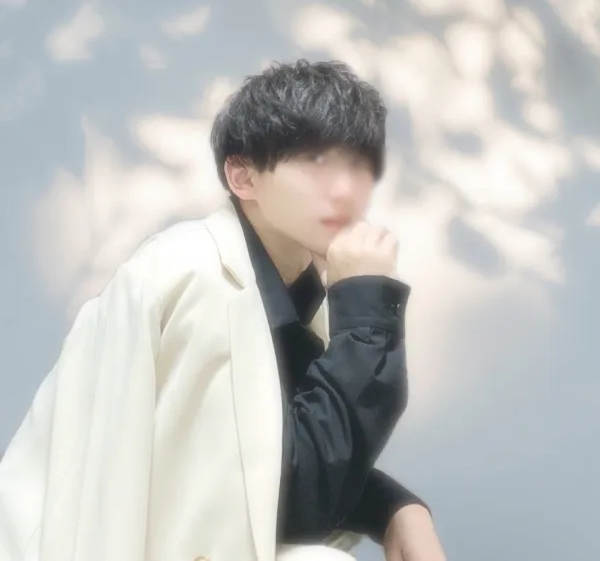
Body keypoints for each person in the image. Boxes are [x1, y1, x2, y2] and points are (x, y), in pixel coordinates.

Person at [0, 60, 445, 561]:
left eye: (358, 165)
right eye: (314, 162)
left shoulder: (301, 294)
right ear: (243, 175)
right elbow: (290, 501)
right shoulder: (194, 278)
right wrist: (366, 311)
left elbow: (281, 459)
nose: (345, 190)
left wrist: (395, 508)